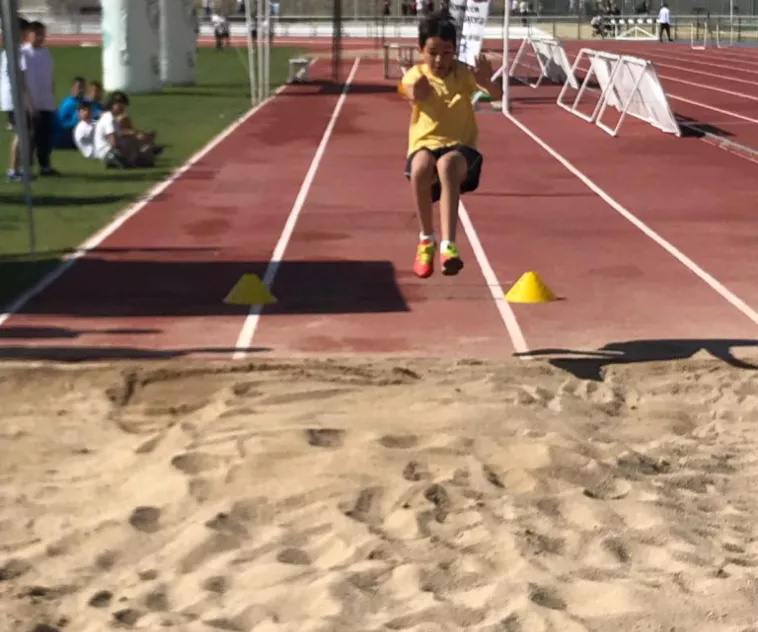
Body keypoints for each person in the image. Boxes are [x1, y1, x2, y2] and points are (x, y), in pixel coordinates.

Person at [398, 12, 501, 279]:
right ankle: (426, 240)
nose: (439, 60)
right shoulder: (416, 75)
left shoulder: (463, 73)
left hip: (460, 146)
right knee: (420, 168)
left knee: (447, 165)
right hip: (424, 143)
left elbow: (497, 95)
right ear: (421, 50)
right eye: (432, 53)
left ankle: (448, 246)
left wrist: (487, 81)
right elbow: (409, 91)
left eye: (446, 53)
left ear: (454, 50)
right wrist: (415, 92)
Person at [21, 20, 59, 176]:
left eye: (42, 34)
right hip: (31, 101)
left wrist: (52, 96)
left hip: (46, 101)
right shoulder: (24, 53)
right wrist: (28, 102)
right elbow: (22, 79)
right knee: (30, 136)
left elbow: (50, 77)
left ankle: (45, 165)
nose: (40, 37)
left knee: (45, 137)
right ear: (29, 34)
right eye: (37, 34)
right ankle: (26, 166)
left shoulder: (46, 53)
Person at [1, 16, 33, 182]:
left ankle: (18, 168)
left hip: (8, 98)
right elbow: (21, 80)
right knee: (21, 134)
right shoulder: (18, 52)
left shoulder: (7, 51)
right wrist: (29, 104)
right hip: (15, 98)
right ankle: (13, 170)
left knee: (21, 133)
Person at [53, 75, 85, 149]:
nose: (81, 90)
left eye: (83, 87)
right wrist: (76, 122)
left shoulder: (85, 101)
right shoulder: (68, 104)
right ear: (72, 89)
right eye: (79, 87)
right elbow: (60, 123)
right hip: (69, 132)